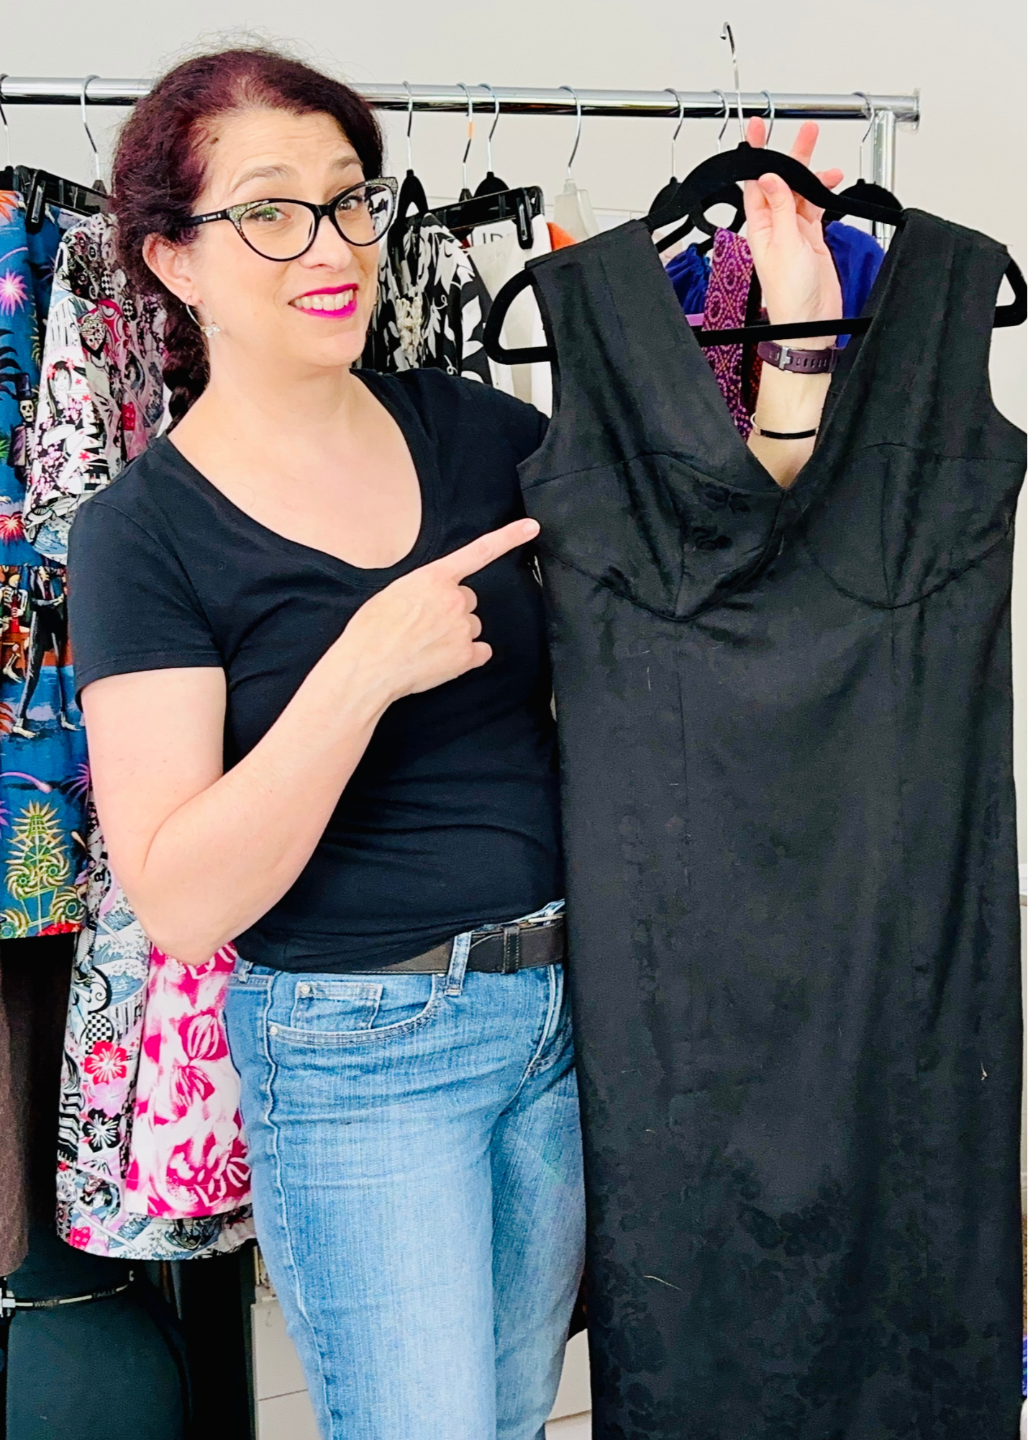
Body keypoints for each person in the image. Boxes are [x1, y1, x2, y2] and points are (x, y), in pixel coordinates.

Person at [66, 46, 842, 1440]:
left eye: (348, 198)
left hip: (566, 1015)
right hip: (361, 1049)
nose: (331, 244)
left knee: (511, 1414)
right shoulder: (144, 532)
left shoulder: (474, 430)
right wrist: (359, 674)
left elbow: (711, 559)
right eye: (270, 210)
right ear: (173, 262)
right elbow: (182, 899)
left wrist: (797, 341)